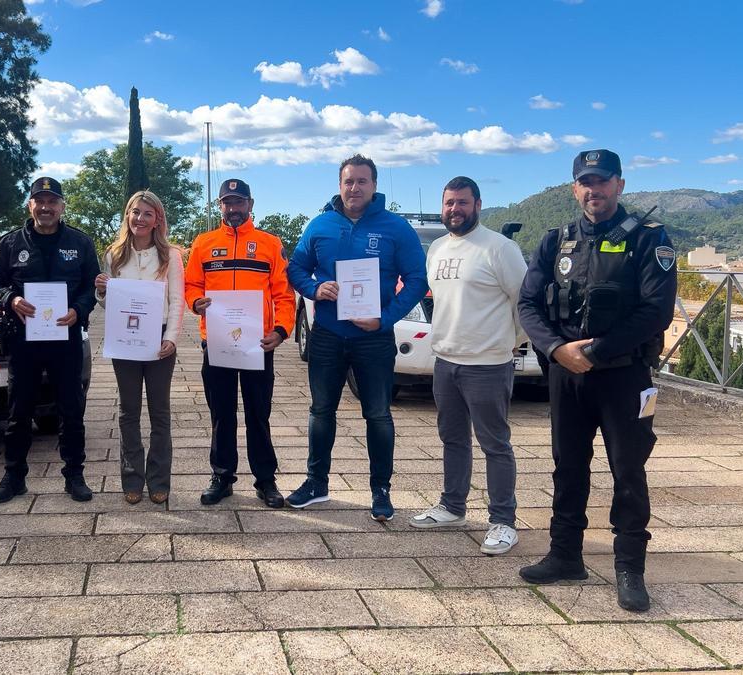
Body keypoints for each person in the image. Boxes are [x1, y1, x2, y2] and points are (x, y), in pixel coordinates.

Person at [517, 149, 677, 611]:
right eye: (585, 182)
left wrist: (596, 351)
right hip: (567, 375)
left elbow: (656, 310)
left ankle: (630, 568)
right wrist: (556, 349)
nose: (594, 190)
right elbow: (529, 304)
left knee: (628, 471)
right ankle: (565, 555)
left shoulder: (648, 239)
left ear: (620, 185)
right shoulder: (556, 241)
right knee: (567, 467)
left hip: (623, 375)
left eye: (603, 181)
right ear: (574, 188)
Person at [285, 154, 427, 522]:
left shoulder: (396, 228)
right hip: (328, 335)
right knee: (320, 410)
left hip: (373, 338)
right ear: (339, 184)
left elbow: (416, 280)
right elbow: (296, 268)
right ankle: (316, 483)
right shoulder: (319, 224)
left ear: (374, 185)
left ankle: (381, 490)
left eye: (362, 181)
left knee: (378, 414)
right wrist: (315, 289)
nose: (355, 188)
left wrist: (385, 318)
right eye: (348, 181)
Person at [409, 176, 527, 554]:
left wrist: (512, 342)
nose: (454, 209)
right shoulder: (438, 248)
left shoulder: (500, 248)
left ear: (477, 204)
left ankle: (503, 521)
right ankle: (452, 506)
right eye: (449, 203)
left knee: (495, 443)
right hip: (445, 361)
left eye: (462, 202)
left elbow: (524, 303)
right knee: (453, 439)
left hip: (488, 364)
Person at [0, 177, 101, 503]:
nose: (46, 207)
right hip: (24, 339)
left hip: (66, 339)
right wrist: (10, 300)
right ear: (30, 205)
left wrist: (79, 309)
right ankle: (13, 477)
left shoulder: (80, 242)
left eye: (52, 201)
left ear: (62, 206)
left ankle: (74, 476)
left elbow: (91, 286)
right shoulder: (9, 243)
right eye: (40, 200)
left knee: (71, 408)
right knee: (19, 410)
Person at [184, 178, 295, 507]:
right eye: (227, 202)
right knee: (221, 413)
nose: (233, 208)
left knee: (258, 414)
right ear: (219, 206)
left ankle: (265, 480)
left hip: (258, 344)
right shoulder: (203, 244)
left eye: (239, 202)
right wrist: (195, 301)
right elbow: (191, 284)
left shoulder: (270, 244)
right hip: (216, 342)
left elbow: (284, 294)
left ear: (250, 204)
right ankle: (222, 476)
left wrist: (281, 329)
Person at [95, 191, 185, 505]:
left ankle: (159, 480)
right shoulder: (114, 254)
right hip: (125, 339)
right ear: (127, 216)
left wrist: (171, 337)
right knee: (128, 412)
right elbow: (107, 304)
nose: (140, 219)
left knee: (159, 412)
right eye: (135, 212)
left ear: (157, 219)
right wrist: (102, 292)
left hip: (159, 338)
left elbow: (176, 301)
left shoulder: (171, 255)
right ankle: (131, 478)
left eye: (148, 213)